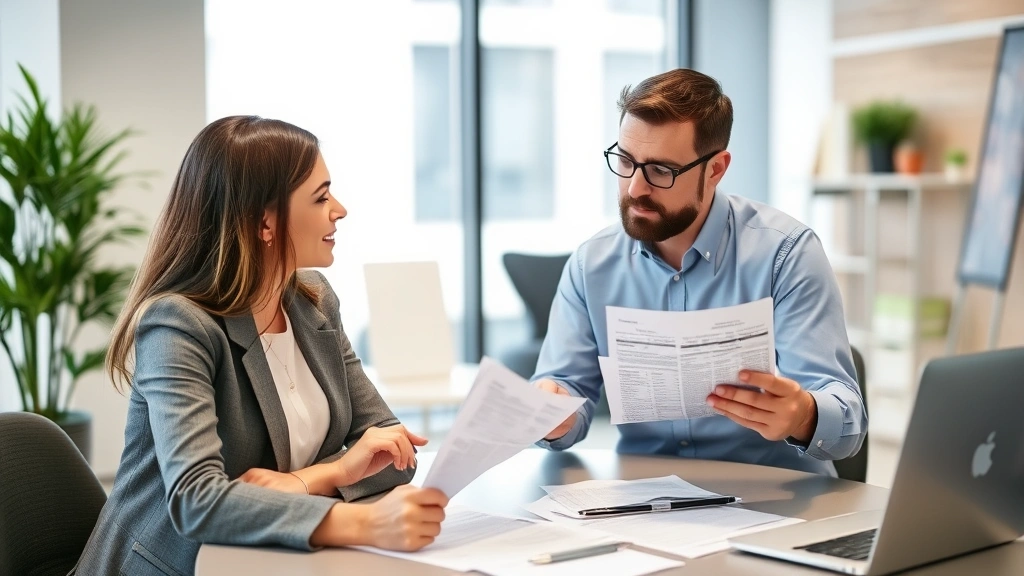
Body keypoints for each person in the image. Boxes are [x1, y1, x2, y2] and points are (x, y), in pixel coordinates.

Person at [73, 116, 448, 575]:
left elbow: (392, 449)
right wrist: (362, 519)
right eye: (320, 196)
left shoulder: (314, 301)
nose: (340, 209)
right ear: (264, 221)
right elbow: (196, 501)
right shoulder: (178, 323)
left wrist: (311, 480)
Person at [533, 69, 867, 476]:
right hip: (645, 504)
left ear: (715, 169)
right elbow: (566, 390)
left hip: (771, 501)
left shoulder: (786, 254)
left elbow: (848, 423)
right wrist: (553, 412)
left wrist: (803, 416)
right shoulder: (591, 265)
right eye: (625, 161)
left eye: (660, 171)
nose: (636, 188)